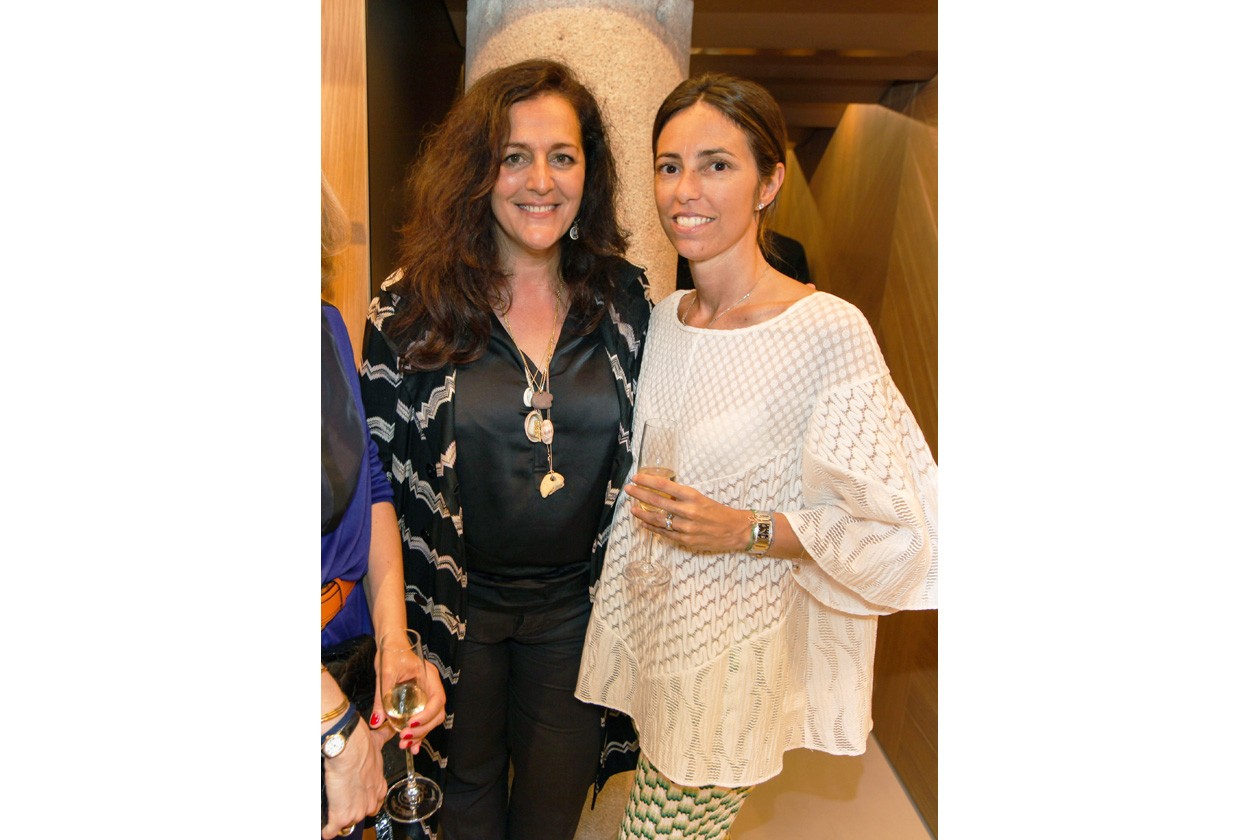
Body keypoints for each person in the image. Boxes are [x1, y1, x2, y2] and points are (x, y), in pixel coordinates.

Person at [575, 74, 939, 839]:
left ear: (769, 182)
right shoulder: (665, 319)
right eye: (670, 165)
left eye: (717, 164)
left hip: (735, 665)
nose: (685, 190)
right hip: (658, 648)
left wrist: (747, 529)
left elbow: (900, 531)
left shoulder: (825, 329)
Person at [358, 59, 651, 840]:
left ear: (589, 172)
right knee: (462, 808)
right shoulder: (408, 309)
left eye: (563, 156)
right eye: (513, 156)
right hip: (449, 609)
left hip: (576, 613)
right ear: (476, 171)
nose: (540, 181)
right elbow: (374, 486)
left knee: (553, 813)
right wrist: (393, 639)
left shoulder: (625, 301)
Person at [322, 172, 447, 840]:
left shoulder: (323, 325)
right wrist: (333, 729)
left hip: (349, 640)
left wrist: (393, 645)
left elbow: (371, 484)